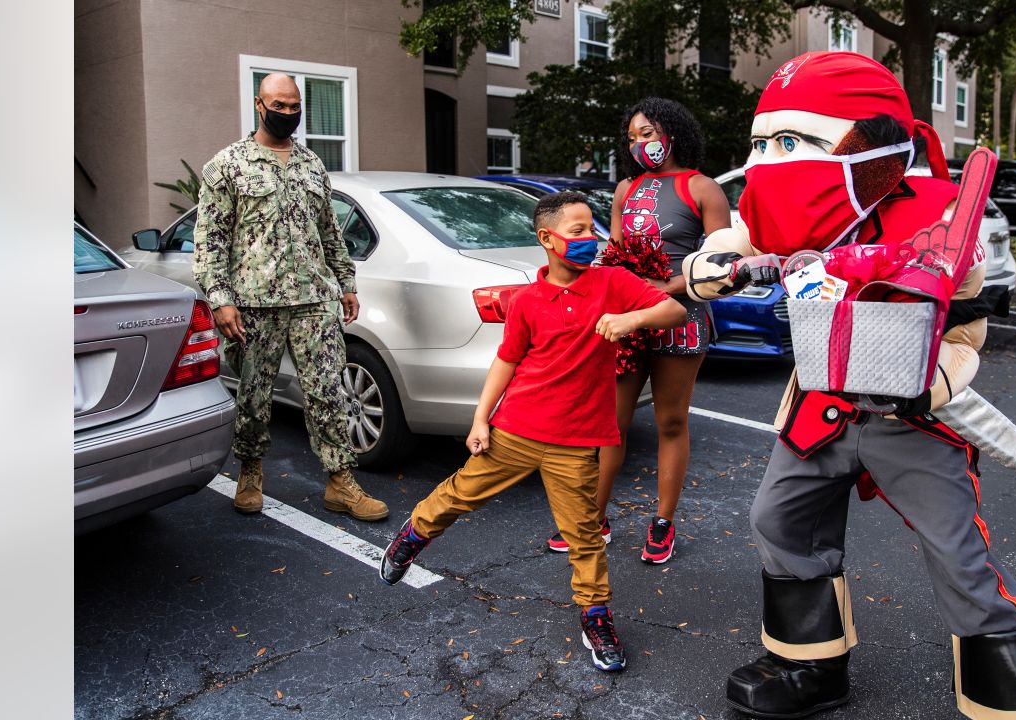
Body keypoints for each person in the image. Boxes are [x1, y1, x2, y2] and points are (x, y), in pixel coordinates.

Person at [683, 52, 1016, 719]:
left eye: (792, 141)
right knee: (779, 520)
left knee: (956, 553)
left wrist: (935, 385)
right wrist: (717, 264)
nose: (772, 160)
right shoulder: (781, 214)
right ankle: (809, 669)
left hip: (909, 416)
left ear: (869, 143)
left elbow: (963, 332)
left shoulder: (939, 216)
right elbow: (723, 246)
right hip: (819, 404)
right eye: (765, 144)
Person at [378, 192, 687, 672]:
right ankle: (413, 536)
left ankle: (596, 615)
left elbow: (675, 312)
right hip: (516, 430)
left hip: (578, 442)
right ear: (547, 238)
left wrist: (632, 318)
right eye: (579, 231)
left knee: (584, 536)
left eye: (593, 228)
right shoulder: (527, 301)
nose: (592, 239)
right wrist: (481, 419)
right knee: (459, 495)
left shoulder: (614, 282)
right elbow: (506, 361)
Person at [193, 73, 388, 522]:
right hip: (253, 304)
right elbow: (210, 240)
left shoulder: (312, 165)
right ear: (259, 106)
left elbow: (329, 233)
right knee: (254, 396)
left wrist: (346, 282)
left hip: (313, 300)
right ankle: (250, 471)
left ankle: (340, 482)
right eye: (278, 105)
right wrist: (221, 298)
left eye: (294, 105)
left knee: (327, 392)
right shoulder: (228, 164)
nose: (287, 113)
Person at [545, 97, 731, 564]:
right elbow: (614, 254)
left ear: (671, 132)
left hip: (680, 319)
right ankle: (593, 519)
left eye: (646, 134)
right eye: (631, 138)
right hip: (625, 319)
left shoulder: (703, 189)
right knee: (609, 424)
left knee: (671, 421)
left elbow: (724, 267)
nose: (638, 144)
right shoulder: (627, 189)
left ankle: (663, 522)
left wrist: (666, 285)